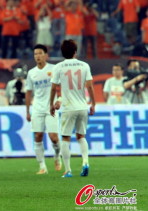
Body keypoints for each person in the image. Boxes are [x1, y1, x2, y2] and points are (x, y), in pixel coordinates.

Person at [50, 39, 95, 178]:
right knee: (81, 136)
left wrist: (51, 104)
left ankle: (68, 170)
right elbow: (89, 86)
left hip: (68, 107)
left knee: (65, 138)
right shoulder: (84, 65)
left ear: (62, 52)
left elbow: (53, 88)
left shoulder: (58, 67)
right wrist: (93, 103)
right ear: (75, 52)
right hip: (82, 106)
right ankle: (85, 162)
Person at [25, 44, 62, 175]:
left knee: (54, 138)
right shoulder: (31, 73)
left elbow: (60, 86)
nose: (38, 56)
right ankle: (42, 166)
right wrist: (27, 110)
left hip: (51, 108)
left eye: (40, 53)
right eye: (35, 54)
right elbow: (29, 92)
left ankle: (57, 156)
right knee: (38, 136)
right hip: (37, 108)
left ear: (46, 55)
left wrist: (60, 99)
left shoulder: (54, 69)